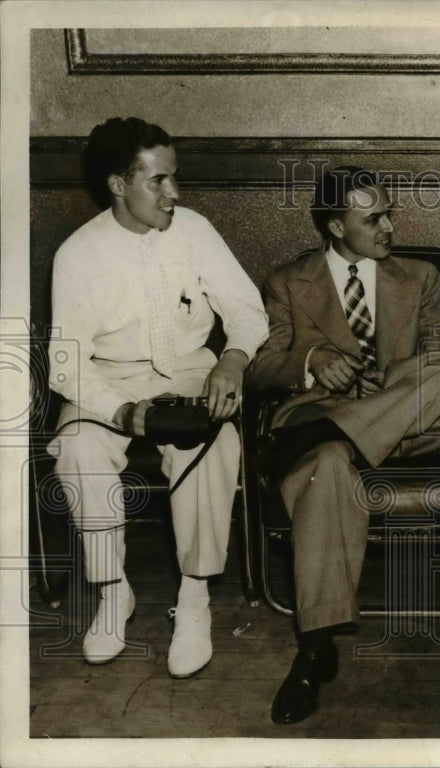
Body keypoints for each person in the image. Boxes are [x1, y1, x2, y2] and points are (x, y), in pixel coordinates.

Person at [247, 166, 440, 724]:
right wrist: (313, 364)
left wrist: (390, 378)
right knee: (327, 463)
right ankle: (314, 649)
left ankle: (331, 432)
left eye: (388, 212)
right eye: (372, 217)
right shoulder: (287, 282)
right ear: (334, 226)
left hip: (409, 421)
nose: (390, 225)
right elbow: (260, 367)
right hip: (323, 415)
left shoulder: (419, 276)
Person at [47, 117, 269, 677]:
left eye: (174, 179)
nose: (174, 193)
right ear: (119, 185)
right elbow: (66, 360)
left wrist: (232, 361)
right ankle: (111, 592)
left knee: (213, 442)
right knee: (78, 447)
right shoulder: (78, 253)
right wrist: (122, 412)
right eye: (158, 181)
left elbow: (245, 309)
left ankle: (194, 600)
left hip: (193, 371)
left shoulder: (193, 230)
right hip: (108, 380)